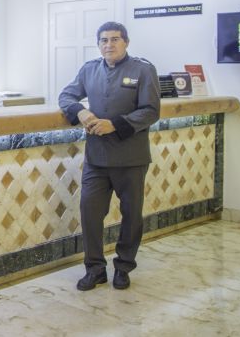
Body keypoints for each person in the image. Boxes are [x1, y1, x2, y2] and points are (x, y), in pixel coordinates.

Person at [58, 21, 160, 291]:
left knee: (131, 216)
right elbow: (66, 96)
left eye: (115, 39)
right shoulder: (89, 69)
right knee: (90, 213)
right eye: (104, 40)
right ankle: (95, 269)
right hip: (97, 158)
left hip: (131, 158)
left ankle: (124, 267)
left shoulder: (143, 69)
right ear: (98, 44)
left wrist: (115, 124)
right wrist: (80, 111)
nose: (109, 44)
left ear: (126, 42)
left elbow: (151, 111)